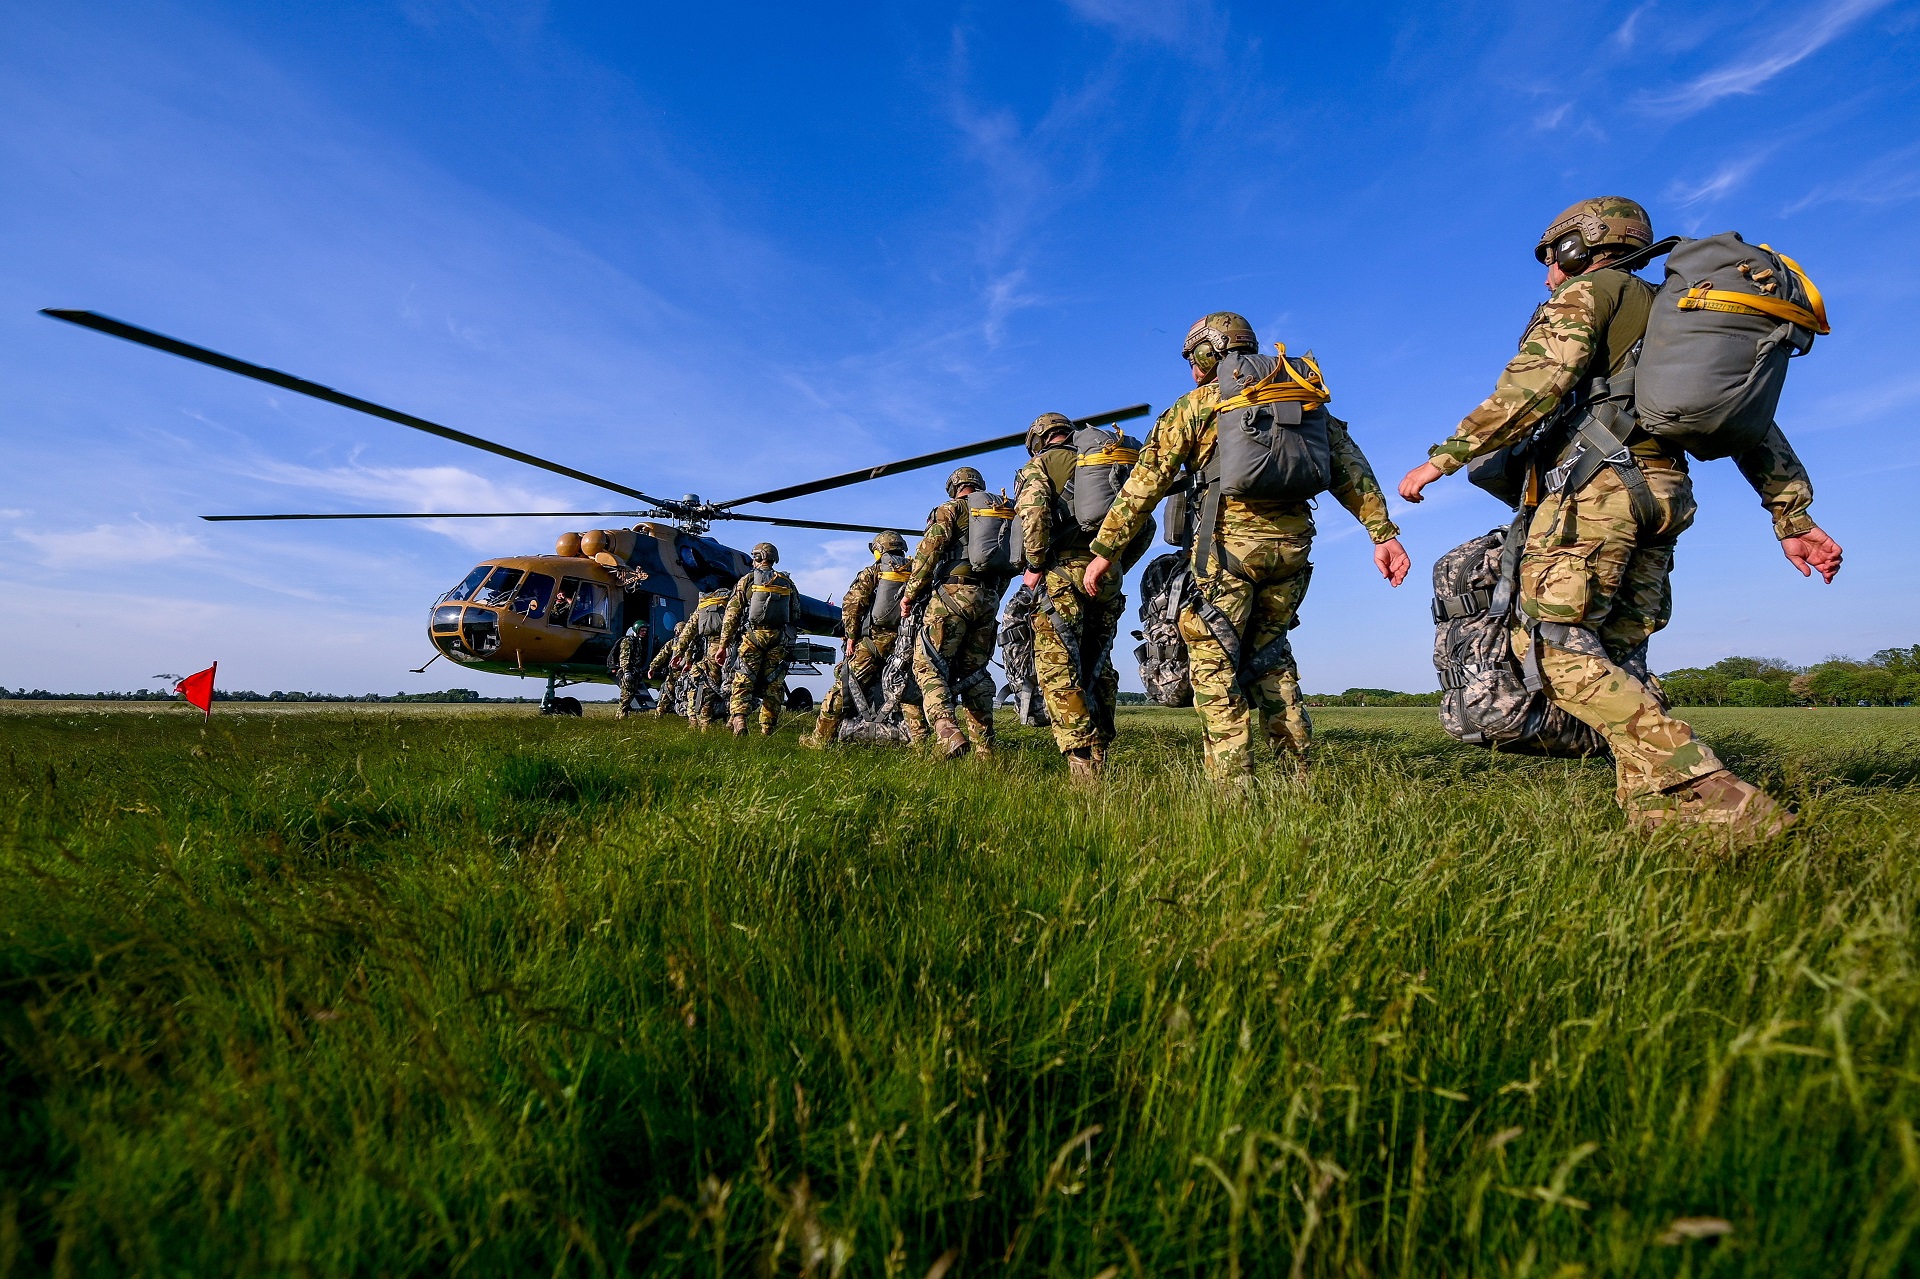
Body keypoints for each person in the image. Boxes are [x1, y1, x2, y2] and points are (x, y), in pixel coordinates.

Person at [1398, 196, 1842, 836]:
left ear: (1580, 245)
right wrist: (1793, 519)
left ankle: (1710, 786)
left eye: (1553, 259)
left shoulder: (1591, 294)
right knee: (1618, 657)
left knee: (1555, 651)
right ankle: (1662, 824)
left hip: (1595, 493)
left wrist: (1443, 458)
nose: (1549, 275)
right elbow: (1754, 426)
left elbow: (1536, 384)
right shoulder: (1676, 318)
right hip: (1664, 494)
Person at [1085, 312, 1410, 787]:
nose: (1192, 369)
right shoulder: (1303, 394)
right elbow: (1351, 469)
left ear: (1207, 352)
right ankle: (1297, 782)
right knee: (1272, 658)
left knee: (1215, 668)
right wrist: (1383, 534)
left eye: (1193, 357)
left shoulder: (1200, 403)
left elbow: (1145, 482)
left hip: (1227, 553)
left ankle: (1234, 794)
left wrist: (1106, 549)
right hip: (1293, 551)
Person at [1014, 412, 1127, 781]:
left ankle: (1083, 772)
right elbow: (1144, 521)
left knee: (1058, 667)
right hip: (1107, 574)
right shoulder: (1104, 460)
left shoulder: (1041, 464)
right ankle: (1100, 753)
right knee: (1098, 666)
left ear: (1038, 438)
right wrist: (1110, 559)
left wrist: (1035, 564)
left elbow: (1032, 514)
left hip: (1061, 575)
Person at [901, 466, 1016, 759]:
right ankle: (985, 750)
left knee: (927, 666)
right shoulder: (1002, 512)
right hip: (989, 601)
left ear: (954, 487)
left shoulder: (950, 509)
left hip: (951, 596)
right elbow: (1010, 562)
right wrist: (990, 598)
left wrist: (910, 594)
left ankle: (946, 730)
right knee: (975, 674)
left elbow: (929, 553)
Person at [804, 531, 912, 748]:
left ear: (879, 551)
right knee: (909, 693)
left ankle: (819, 740)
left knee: (844, 687)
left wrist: (852, 637)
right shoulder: (918, 570)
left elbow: (853, 605)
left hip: (873, 642)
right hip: (906, 643)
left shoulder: (873, 572)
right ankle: (918, 743)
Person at [713, 543, 799, 736]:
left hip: (752, 637)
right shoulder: (786, 582)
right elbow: (795, 613)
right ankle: (767, 728)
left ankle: (739, 720)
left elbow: (731, 615)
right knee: (774, 683)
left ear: (759, 557)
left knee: (743, 679)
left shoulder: (748, 580)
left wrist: (723, 645)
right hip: (777, 638)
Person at [609, 619, 650, 718]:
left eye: (645, 631)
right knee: (626, 696)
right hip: (628, 672)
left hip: (634, 672)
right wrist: (626, 672)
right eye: (642, 630)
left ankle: (623, 716)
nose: (644, 633)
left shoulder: (638, 642)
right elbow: (624, 657)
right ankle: (620, 717)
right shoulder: (627, 641)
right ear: (636, 630)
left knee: (630, 696)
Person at [648, 620, 685, 717]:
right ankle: (659, 716)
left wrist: (652, 667)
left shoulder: (690, 644)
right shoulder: (672, 643)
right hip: (674, 675)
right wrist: (652, 667)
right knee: (664, 697)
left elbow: (661, 656)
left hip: (685, 675)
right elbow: (662, 655)